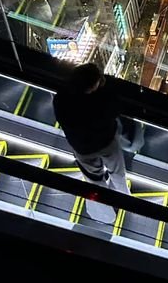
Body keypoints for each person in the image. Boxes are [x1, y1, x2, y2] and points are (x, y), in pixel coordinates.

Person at [53, 62, 129, 220]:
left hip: (82, 148)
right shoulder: (102, 98)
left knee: (94, 179)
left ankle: (104, 214)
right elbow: (115, 110)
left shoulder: (62, 99)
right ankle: (126, 200)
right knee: (117, 173)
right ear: (91, 86)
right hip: (107, 142)